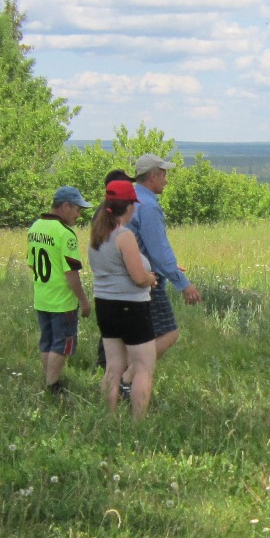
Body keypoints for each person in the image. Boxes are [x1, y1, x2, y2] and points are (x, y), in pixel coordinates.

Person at [87, 179, 161, 418]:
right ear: (129, 206)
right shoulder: (124, 236)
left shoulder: (97, 235)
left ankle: (110, 417)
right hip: (131, 308)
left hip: (105, 306)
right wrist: (151, 278)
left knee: (113, 366)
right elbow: (138, 277)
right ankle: (138, 423)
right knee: (143, 368)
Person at [128, 153, 203, 364]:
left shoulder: (128, 198)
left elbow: (139, 243)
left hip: (123, 276)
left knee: (128, 336)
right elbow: (159, 249)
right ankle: (134, 375)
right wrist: (183, 284)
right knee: (169, 333)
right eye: (164, 175)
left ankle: (114, 375)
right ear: (153, 176)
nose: (166, 180)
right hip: (147, 280)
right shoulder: (149, 205)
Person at [25, 186, 94, 395]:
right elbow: (71, 273)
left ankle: (48, 381)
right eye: (77, 209)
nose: (79, 214)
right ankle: (53, 386)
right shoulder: (65, 234)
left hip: (42, 297)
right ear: (65, 206)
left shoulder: (35, 227)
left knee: (46, 341)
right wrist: (83, 300)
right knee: (61, 345)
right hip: (62, 301)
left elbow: (31, 263)